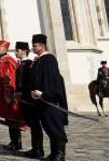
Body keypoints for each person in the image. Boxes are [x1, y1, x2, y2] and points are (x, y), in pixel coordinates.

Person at [29, 33, 68, 161]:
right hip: (41, 100)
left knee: (55, 127)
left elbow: (53, 81)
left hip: (51, 101)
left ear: (42, 46)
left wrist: (44, 93)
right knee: (48, 127)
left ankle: (60, 154)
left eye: (35, 46)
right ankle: (53, 153)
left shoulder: (49, 59)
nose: (33, 48)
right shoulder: (39, 60)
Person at [14, 41, 43, 158]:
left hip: (28, 99)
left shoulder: (28, 64)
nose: (16, 52)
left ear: (24, 51)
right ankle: (35, 148)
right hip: (23, 98)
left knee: (35, 125)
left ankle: (38, 150)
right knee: (32, 124)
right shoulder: (21, 64)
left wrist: (22, 93)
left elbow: (29, 82)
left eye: (17, 50)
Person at [0, 39, 24, 151]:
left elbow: (10, 78)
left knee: (13, 119)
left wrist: (8, 94)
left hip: (9, 95)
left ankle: (16, 143)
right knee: (9, 119)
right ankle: (14, 141)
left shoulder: (8, 61)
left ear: (5, 49)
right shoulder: (2, 60)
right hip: (3, 93)